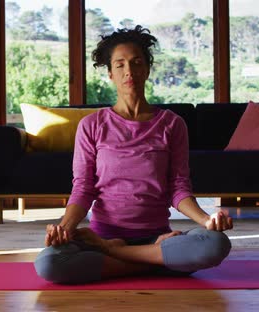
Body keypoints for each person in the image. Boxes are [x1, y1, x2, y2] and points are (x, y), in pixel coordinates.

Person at [34, 25, 233, 284]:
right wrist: (64, 228)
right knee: (49, 263)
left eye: (136, 62)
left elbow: (178, 188)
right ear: (110, 73)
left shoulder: (172, 124)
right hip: (105, 235)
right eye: (120, 65)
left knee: (216, 244)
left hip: (155, 237)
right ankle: (155, 261)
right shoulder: (92, 125)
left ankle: (117, 255)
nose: (129, 71)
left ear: (147, 70)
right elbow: (83, 188)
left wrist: (207, 220)